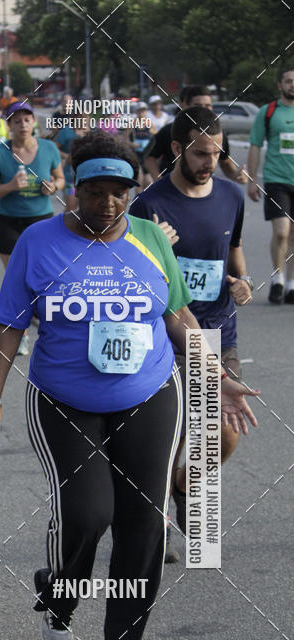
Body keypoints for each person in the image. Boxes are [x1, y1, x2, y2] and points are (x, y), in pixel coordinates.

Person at [0, 132, 258, 640]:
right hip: (64, 399)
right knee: (88, 514)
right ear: (74, 189)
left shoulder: (150, 237)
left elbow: (178, 316)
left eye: (120, 192)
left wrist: (215, 375)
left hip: (147, 392)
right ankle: (59, 599)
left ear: (134, 190)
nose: (108, 203)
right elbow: (10, 325)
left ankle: (124, 639)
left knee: (144, 517)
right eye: (96, 191)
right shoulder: (38, 241)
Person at [131, 106, 253, 544]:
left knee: (222, 434)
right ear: (179, 149)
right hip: (170, 332)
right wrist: (156, 247)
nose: (210, 164)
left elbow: (233, 251)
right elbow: (133, 273)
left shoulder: (232, 197)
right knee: (173, 431)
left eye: (217, 154)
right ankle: (157, 519)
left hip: (221, 328)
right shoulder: (150, 203)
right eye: (201, 154)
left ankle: (183, 484)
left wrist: (243, 281)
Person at [0, 100, 64, 355]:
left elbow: (60, 178)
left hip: (41, 221)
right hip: (8, 222)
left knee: (45, 279)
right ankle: (23, 334)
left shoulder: (49, 148)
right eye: (17, 120)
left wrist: (54, 186)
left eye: (27, 119)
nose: (23, 124)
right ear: (10, 125)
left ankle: (51, 330)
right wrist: (10, 187)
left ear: (34, 122)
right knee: (18, 281)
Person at [247, 67, 294, 304]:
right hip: (277, 180)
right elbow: (255, 145)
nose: (292, 85)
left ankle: (292, 284)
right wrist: (253, 179)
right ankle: (278, 279)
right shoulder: (268, 112)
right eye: (288, 81)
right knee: (282, 232)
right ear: (280, 85)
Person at [145, 85, 248, 184]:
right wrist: (159, 181)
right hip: (171, 192)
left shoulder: (217, 134)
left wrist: (237, 175)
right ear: (184, 105)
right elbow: (149, 157)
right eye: (198, 106)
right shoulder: (169, 131)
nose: (203, 109)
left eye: (207, 106)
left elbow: (225, 162)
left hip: (202, 192)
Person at [123, 100, 152, 192]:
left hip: (147, 154)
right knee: (139, 180)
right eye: (139, 110)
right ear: (136, 112)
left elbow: (157, 138)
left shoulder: (150, 124)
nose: (141, 112)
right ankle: (138, 201)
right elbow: (125, 140)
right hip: (136, 154)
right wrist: (131, 144)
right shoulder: (132, 124)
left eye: (143, 110)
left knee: (149, 182)